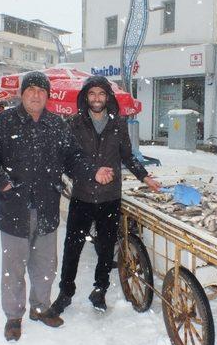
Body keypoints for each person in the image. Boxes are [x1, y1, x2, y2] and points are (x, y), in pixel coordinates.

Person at [0, 71, 114, 342]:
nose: (36, 95)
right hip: (14, 209)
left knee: (46, 265)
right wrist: (2, 182)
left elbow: (73, 157)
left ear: (47, 96)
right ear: (22, 94)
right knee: (13, 267)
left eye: (41, 91)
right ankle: (14, 316)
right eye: (31, 90)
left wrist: (93, 171)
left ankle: (40, 307)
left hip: (47, 207)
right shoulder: (5, 121)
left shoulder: (56, 124)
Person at [49, 76, 161, 316]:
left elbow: (128, 156)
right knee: (72, 248)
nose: (97, 98)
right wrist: (91, 173)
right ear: (85, 97)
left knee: (106, 246)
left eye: (101, 94)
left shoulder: (118, 124)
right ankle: (65, 293)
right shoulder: (74, 124)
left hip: (110, 197)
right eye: (92, 94)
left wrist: (144, 176)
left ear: (108, 97)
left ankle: (99, 289)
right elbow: (67, 160)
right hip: (83, 196)